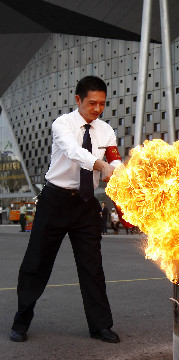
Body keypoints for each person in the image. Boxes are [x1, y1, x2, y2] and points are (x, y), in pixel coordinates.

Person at [10, 76, 121, 344]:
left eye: (102, 104)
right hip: (54, 201)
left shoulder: (106, 130)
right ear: (78, 100)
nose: (97, 109)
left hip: (85, 205)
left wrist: (116, 170)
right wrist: (100, 165)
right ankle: (21, 322)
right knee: (36, 263)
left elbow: (115, 160)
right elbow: (73, 152)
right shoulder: (62, 124)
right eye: (92, 103)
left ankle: (100, 326)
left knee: (92, 267)